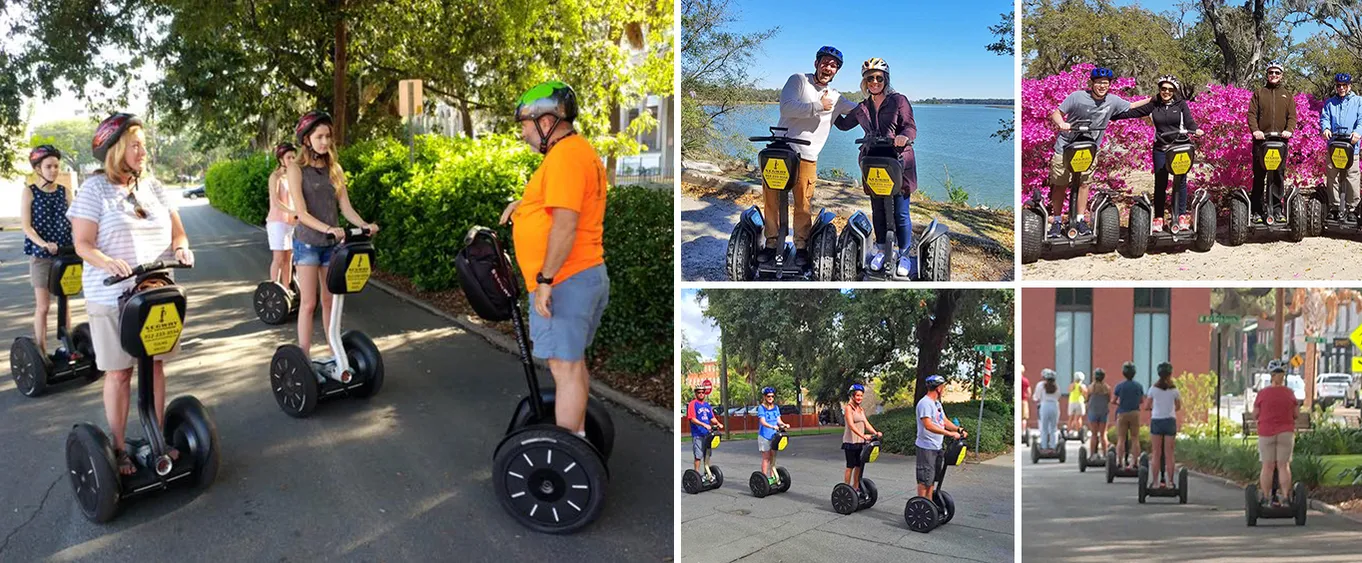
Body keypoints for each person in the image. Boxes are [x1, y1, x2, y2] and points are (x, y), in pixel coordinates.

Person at [68, 113, 194, 476]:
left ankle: (156, 439)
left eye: (144, 144)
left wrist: (182, 249)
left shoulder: (153, 187)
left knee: (154, 366)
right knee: (120, 373)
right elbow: (82, 244)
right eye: (135, 145)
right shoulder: (94, 190)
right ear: (116, 149)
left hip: (155, 292)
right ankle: (120, 448)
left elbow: (178, 234)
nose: (143, 151)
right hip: (111, 297)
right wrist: (107, 262)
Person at [498, 81, 609, 439]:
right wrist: (525, 207)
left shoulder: (564, 158)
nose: (523, 133)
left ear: (546, 122)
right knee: (572, 366)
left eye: (525, 125)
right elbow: (561, 206)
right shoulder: (575, 154)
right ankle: (577, 441)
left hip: (565, 280)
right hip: (580, 275)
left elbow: (565, 225)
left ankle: (569, 450)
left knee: (565, 369)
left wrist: (545, 279)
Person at [287, 110, 379, 359]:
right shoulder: (296, 169)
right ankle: (303, 358)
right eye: (320, 136)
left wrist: (365, 224)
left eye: (328, 136)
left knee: (331, 301)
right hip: (307, 243)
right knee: (309, 304)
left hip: (332, 245)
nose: (325, 142)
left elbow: (346, 208)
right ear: (306, 139)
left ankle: (334, 352)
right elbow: (301, 213)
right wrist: (328, 228)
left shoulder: (334, 168)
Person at [766, 45, 858, 267]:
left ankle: (800, 246)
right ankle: (771, 244)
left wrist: (882, 106)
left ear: (837, 71)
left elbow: (859, 112)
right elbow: (786, 108)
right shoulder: (798, 80)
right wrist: (819, 106)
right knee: (771, 199)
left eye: (833, 65)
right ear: (816, 63)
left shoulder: (837, 97)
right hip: (781, 149)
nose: (828, 67)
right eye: (825, 62)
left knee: (803, 202)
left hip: (807, 154)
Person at [834, 57, 917, 277]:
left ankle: (904, 254)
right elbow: (843, 124)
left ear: (885, 80)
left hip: (897, 160)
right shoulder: (862, 107)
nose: (875, 82)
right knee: (878, 210)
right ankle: (881, 249)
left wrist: (903, 137)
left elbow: (910, 127)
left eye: (879, 78)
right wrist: (829, 108)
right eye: (870, 78)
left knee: (900, 212)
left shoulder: (899, 100)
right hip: (873, 161)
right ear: (865, 82)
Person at [1046, 67, 1152, 236]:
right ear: (1092, 83)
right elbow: (1057, 113)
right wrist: (1061, 124)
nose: (1102, 86)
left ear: (1109, 84)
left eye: (1105, 83)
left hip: (1089, 149)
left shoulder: (1112, 100)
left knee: (1084, 183)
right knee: (1060, 184)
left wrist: (1152, 99)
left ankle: (1080, 220)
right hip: (1066, 146)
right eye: (1098, 83)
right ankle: (1057, 221)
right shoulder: (1077, 97)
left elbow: (1131, 105)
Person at [1111, 75, 1205, 233]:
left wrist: (1196, 130)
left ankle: (1181, 215)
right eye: (1163, 89)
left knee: (1180, 181)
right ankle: (1159, 217)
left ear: (1174, 91)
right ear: (1159, 90)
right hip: (1161, 147)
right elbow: (1132, 113)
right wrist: (1111, 115)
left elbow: (1188, 121)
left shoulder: (1180, 104)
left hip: (1180, 146)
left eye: (1170, 89)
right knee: (1160, 183)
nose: (1166, 92)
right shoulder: (1153, 106)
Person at [20, 144, 74, 356]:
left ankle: (68, 347)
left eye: (56, 166)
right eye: (49, 166)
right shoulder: (29, 192)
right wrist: (43, 243)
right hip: (42, 256)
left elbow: (75, 219)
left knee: (65, 303)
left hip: (65, 254)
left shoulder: (64, 192)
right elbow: (26, 226)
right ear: (38, 169)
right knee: (44, 306)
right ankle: (40, 352)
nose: (54, 170)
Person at [1247, 60, 1298, 224]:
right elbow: (1251, 114)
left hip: (1280, 141)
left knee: (1278, 175)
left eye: (1277, 73)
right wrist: (1255, 131)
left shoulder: (1287, 94)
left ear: (1281, 75)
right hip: (1261, 141)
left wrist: (1289, 131)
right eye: (1271, 72)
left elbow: (1292, 116)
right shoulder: (1259, 93)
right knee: (1259, 175)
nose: (1274, 75)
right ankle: (1256, 210)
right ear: (1267, 75)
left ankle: (1277, 209)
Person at [1253, 365, 1300, 505]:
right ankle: (1286, 497)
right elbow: (1296, 414)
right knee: (1283, 466)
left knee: (1267, 466)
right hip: (1286, 432)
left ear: (1271, 376)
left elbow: (1255, 414)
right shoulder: (1290, 393)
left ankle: (1266, 497)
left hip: (1266, 432)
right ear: (1283, 377)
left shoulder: (1262, 394)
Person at [1319, 72, 1362, 223]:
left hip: (1351, 146)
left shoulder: (1358, 101)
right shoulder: (1330, 103)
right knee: (1333, 176)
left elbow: (1361, 120)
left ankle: (1352, 208)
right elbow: (1324, 118)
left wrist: (1358, 132)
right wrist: (1325, 129)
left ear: (1350, 85)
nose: (1341, 88)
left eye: (1344, 85)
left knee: (1352, 177)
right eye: (1339, 85)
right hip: (1334, 145)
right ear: (1336, 86)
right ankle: (1335, 207)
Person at [916, 375, 966, 500]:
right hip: (926, 447)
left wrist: (958, 429)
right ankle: (921, 505)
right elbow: (928, 425)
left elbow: (944, 421)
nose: (943, 389)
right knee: (924, 479)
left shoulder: (937, 404)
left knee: (932, 479)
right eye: (942, 386)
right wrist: (949, 434)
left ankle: (930, 503)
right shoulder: (925, 403)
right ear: (938, 388)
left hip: (937, 447)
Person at [1143, 362, 1182, 489]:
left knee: (1156, 453)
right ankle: (1170, 482)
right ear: (1170, 374)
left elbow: (1147, 406)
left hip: (1157, 421)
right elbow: (1178, 406)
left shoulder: (1153, 389)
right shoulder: (1174, 390)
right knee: (1169, 453)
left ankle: (1155, 482)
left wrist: (1155, 407)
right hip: (1170, 421)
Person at [266, 142, 297, 288]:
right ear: (281, 159)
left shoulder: (291, 178)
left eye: (293, 157)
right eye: (289, 157)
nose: (292, 160)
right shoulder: (275, 176)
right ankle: (274, 290)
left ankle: (287, 290)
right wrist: (293, 212)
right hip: (277, 222)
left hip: (290, 222)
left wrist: (297, 214)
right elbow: (276, 201)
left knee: (288, 259)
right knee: (278, 258)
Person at [842, 383, 882, 491]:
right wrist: (863, 435)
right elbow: (851, 425)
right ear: (852, 396)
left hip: (860, 442)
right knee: (850, 466)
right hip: (850, 442)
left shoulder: (861, 409)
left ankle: (856, 487)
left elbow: (866, 423)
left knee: (859, 466)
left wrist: (875, 432)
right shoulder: (848, 408)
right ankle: (847, 488)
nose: (859, 398)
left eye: (861, 395)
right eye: (857, 395)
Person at [1111, 362, 1145, 468]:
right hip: (1135, 412)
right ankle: (1135, 461)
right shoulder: (1138, 386)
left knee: (1121, 438)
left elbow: (1113, 400)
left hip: (1122, 412)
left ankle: (1119, 461)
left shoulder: (1120, 386)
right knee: (1135, 438)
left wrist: (1119, 403)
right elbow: (1141, 400)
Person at [687, 380, 723, 474]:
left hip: (707, 434)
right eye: (699, 392)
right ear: (695, 393)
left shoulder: (707, 405)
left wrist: (718, 423)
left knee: (707, 454)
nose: (701, 394)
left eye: (703, 392)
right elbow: (692, 419)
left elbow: (712, 418)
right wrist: (704, 424)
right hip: (697, 434)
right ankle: (697, 474)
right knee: (698, 456)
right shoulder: (693, 404)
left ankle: (707, 473)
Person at [756, 387, 789, 485]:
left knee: (773, 457)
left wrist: (784, 425)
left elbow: (779, 420)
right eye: (768, 396)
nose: (770, 398)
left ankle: (772, 477)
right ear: (765, 397)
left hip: (774, 436)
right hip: (764, 436)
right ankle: (764, 479)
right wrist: (772, 426)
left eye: (772, 396)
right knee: (766, 458)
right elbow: (762, 421)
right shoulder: (761, 408)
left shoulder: (776, 408)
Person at [1032, 369, 1062, 451]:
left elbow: (1036, 397)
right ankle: (1053, 446)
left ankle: (1044, 446)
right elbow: (1059, 396)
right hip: (1054, 406)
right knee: (1053, 427)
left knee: (1044, 427)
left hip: (1044, 405)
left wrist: (1036, 398)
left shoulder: (1041, 385)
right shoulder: (1057, 386)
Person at [1086, 368, 1112, 454]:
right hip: (1103, 412)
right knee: (1103, 434)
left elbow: (1087, 399)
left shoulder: (1090, 388)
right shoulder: (1107, 388)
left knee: (1094, 435)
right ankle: (1105, 454)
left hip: (1093, 412)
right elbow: (1108, 400)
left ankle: (1092, 454)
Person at [1066, 371, 1088, 436]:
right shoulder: (1082, 386)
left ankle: (1068, 431)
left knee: (1070, 418)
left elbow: (1069, 390)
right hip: (1080, 402)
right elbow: (1085, 394)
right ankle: (1079, 432)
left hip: (1072, 402)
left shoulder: (1072, 385)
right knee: (1078, 418)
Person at [1020, 364, 1031, 442]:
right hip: (1024, 400)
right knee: (1023, 418)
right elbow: (1029, 392)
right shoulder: (1025, 380)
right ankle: (1023, 432)